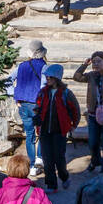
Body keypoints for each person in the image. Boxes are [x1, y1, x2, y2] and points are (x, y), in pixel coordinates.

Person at [34, 63, 80, 192]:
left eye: (50, 77)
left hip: (59, 131)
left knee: (59, 159)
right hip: (44, 131)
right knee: (47, 160)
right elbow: (38, 108)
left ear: (57, 78)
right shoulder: (42, 93)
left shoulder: (66, 93)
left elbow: (75, 110)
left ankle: (64, 177)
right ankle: (51, 185)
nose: (47, 79)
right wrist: (36, 117)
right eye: (47, 77)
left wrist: (73, 125)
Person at [12, 40, 48, 175]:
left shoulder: (21, 66)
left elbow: (8, 80)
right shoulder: (44, 67)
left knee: (30, 135)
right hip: (37, 105)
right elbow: (44, 86)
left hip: (23, 104)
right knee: (43, 132)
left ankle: (32, 166)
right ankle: (40, 158)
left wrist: (15, 96)